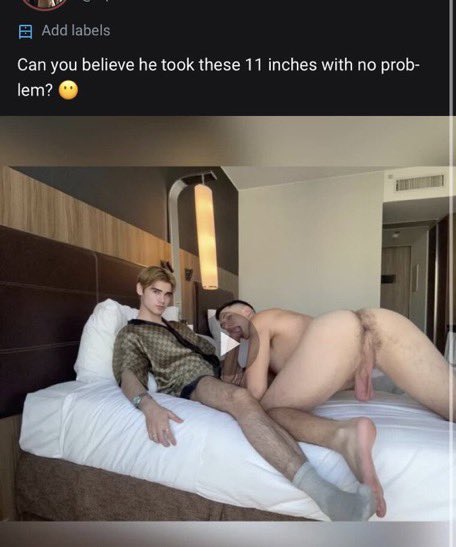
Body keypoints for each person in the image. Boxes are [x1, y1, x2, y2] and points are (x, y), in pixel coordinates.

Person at [112, 266, 377, 521]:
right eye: (155, 292)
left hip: (217, 373)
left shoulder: (178, 327)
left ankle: (343, 431)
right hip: (190, 380)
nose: (162, 299)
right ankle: (327, 497)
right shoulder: (132, 333)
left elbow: (216, 353)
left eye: (167, 294)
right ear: (140, 289)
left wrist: (237, 358)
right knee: (241, 399)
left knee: (277, 395)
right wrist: (148, 406)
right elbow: (128, 375)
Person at [216, 300, 455, 518]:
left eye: (227, 316)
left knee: (265, 413)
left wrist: (230, 351)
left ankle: (344, 435)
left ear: (247, 311)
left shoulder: (260, 320)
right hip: (382, 323)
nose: (225, 325)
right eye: (220, 325)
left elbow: (255, 392)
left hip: (339, 333)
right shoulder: (279, 332)